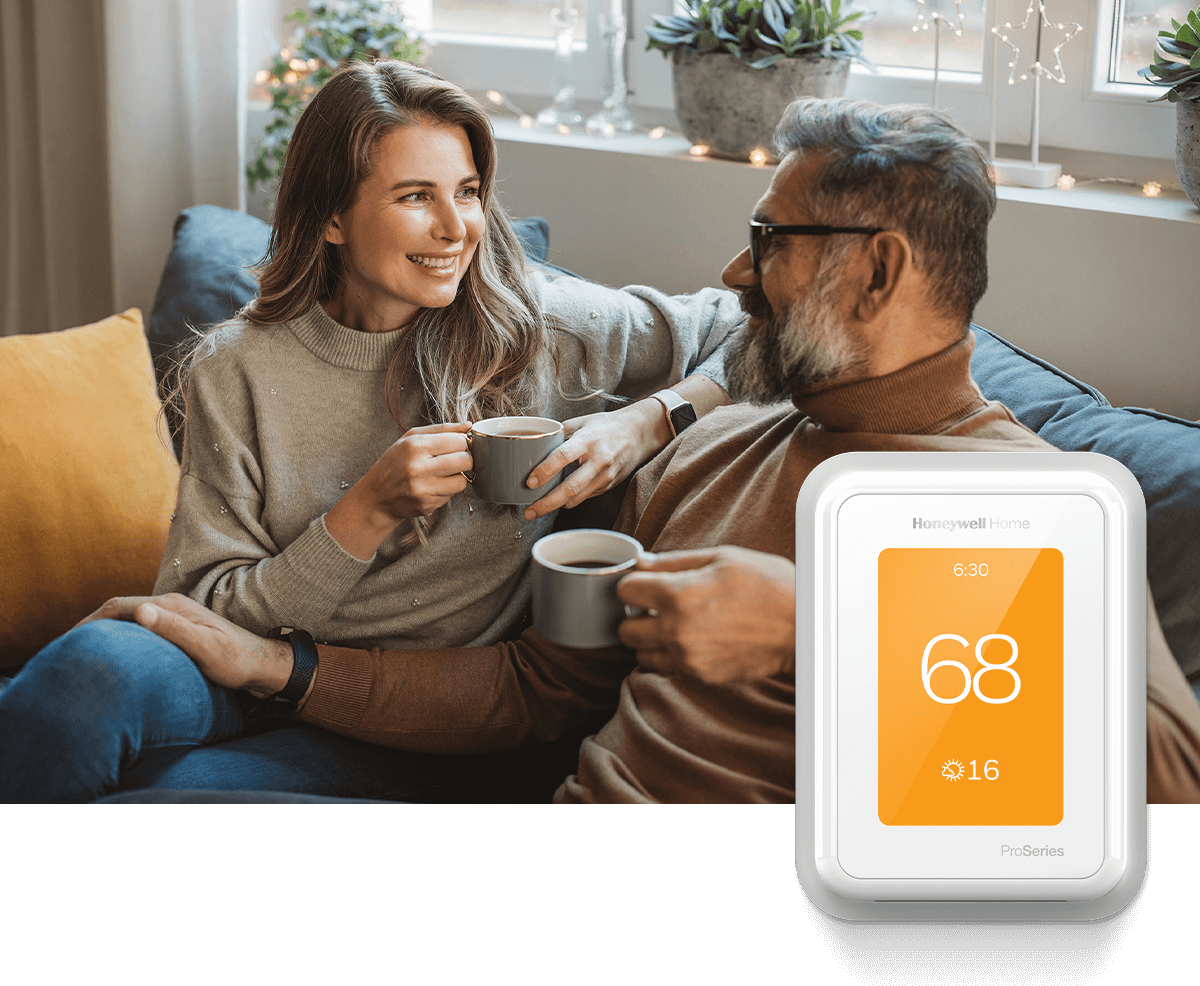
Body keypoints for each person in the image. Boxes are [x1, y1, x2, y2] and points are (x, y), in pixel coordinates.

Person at [0, 61, 742, 804]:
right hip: (246, 672)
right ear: (331, 216)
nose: (456, 229)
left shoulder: (538, 328)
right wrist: (366, 513)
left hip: (413, 722)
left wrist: (650, 419)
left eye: (467, 193)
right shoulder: (237, 369)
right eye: (416, 197)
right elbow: (207, 608)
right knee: (87, 671)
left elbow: (750, 325)